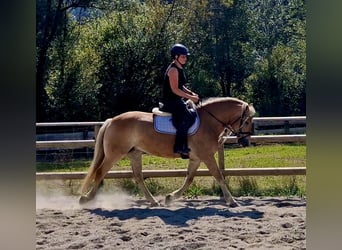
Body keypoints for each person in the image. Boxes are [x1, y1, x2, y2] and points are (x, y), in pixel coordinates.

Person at [161, 43, 199, 156]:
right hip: (170, 101)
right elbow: (175, 90)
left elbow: (181, 86)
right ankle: (178, 146)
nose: (185, 58)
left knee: (191, 114)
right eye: (183, 56)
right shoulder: (173, 70)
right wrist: (191, 97)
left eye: (186, 56)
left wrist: (191, 93)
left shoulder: (179, 68)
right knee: (186, 118)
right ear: (176, 57)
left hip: (177, 101)